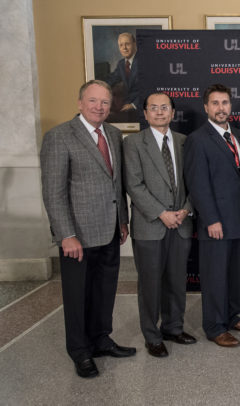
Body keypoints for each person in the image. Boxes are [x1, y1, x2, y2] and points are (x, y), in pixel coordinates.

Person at [39, 80, 134, 378]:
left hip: (109, 229)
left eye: (105, 102)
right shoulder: (59, 137)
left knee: (104, 290)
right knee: (78, 295)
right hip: (77, 235)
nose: (99, 107)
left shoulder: (115, 135)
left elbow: (115, 184)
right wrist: (66, 234)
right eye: (93, 101)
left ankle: (101, 339)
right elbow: (53, 192)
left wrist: (122, 220)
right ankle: (80, 351)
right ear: (80, 103)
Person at [183, 83, 240, 348]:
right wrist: (211, 219)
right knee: (215, 277)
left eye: (225, 103)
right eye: (215, 103)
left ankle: (231, 316)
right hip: (215, 223)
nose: (220, 108)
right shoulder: (197, 139)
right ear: (206, 107)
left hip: (239, 221)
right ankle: (215, 327)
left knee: (235, 275)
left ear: (230, 105)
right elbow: (198, 184)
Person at [123, 92, 196, 358]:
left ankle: (174, 328)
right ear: (144, 113)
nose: (159, 112)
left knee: (177, 281)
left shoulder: (184, 142)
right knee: (150, 284)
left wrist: (185, 210)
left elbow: (193, 181)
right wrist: (162, 213)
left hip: (181, 224)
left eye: (164, 107)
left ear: (172, 112)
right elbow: (133, 184)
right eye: (153, 108)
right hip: (150, 225)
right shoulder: (133, 143)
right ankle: (152, 336)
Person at [105, 32, 140, 119]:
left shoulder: (144, 61)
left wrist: (133, 105)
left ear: (134, 44)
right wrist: (98, 86)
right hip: (126, 106)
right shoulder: (121, 64)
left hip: (141, 106)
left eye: (127, 44)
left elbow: (150, 88)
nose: (124, 48)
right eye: (121, 45)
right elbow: (112, 79)